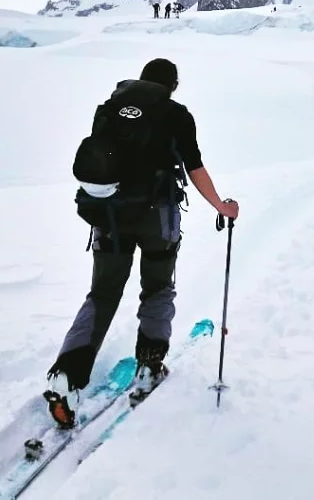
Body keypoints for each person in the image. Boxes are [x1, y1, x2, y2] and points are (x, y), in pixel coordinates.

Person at [43, 58, 239, 428]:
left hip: (110, 217)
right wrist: (220, 206)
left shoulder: (111, 109)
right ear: (173, 85)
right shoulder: (176, 114)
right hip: (157, 217)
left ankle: (67, 376)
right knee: (158, 287)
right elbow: (194, 166)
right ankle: (149, 365)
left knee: (101, 295)